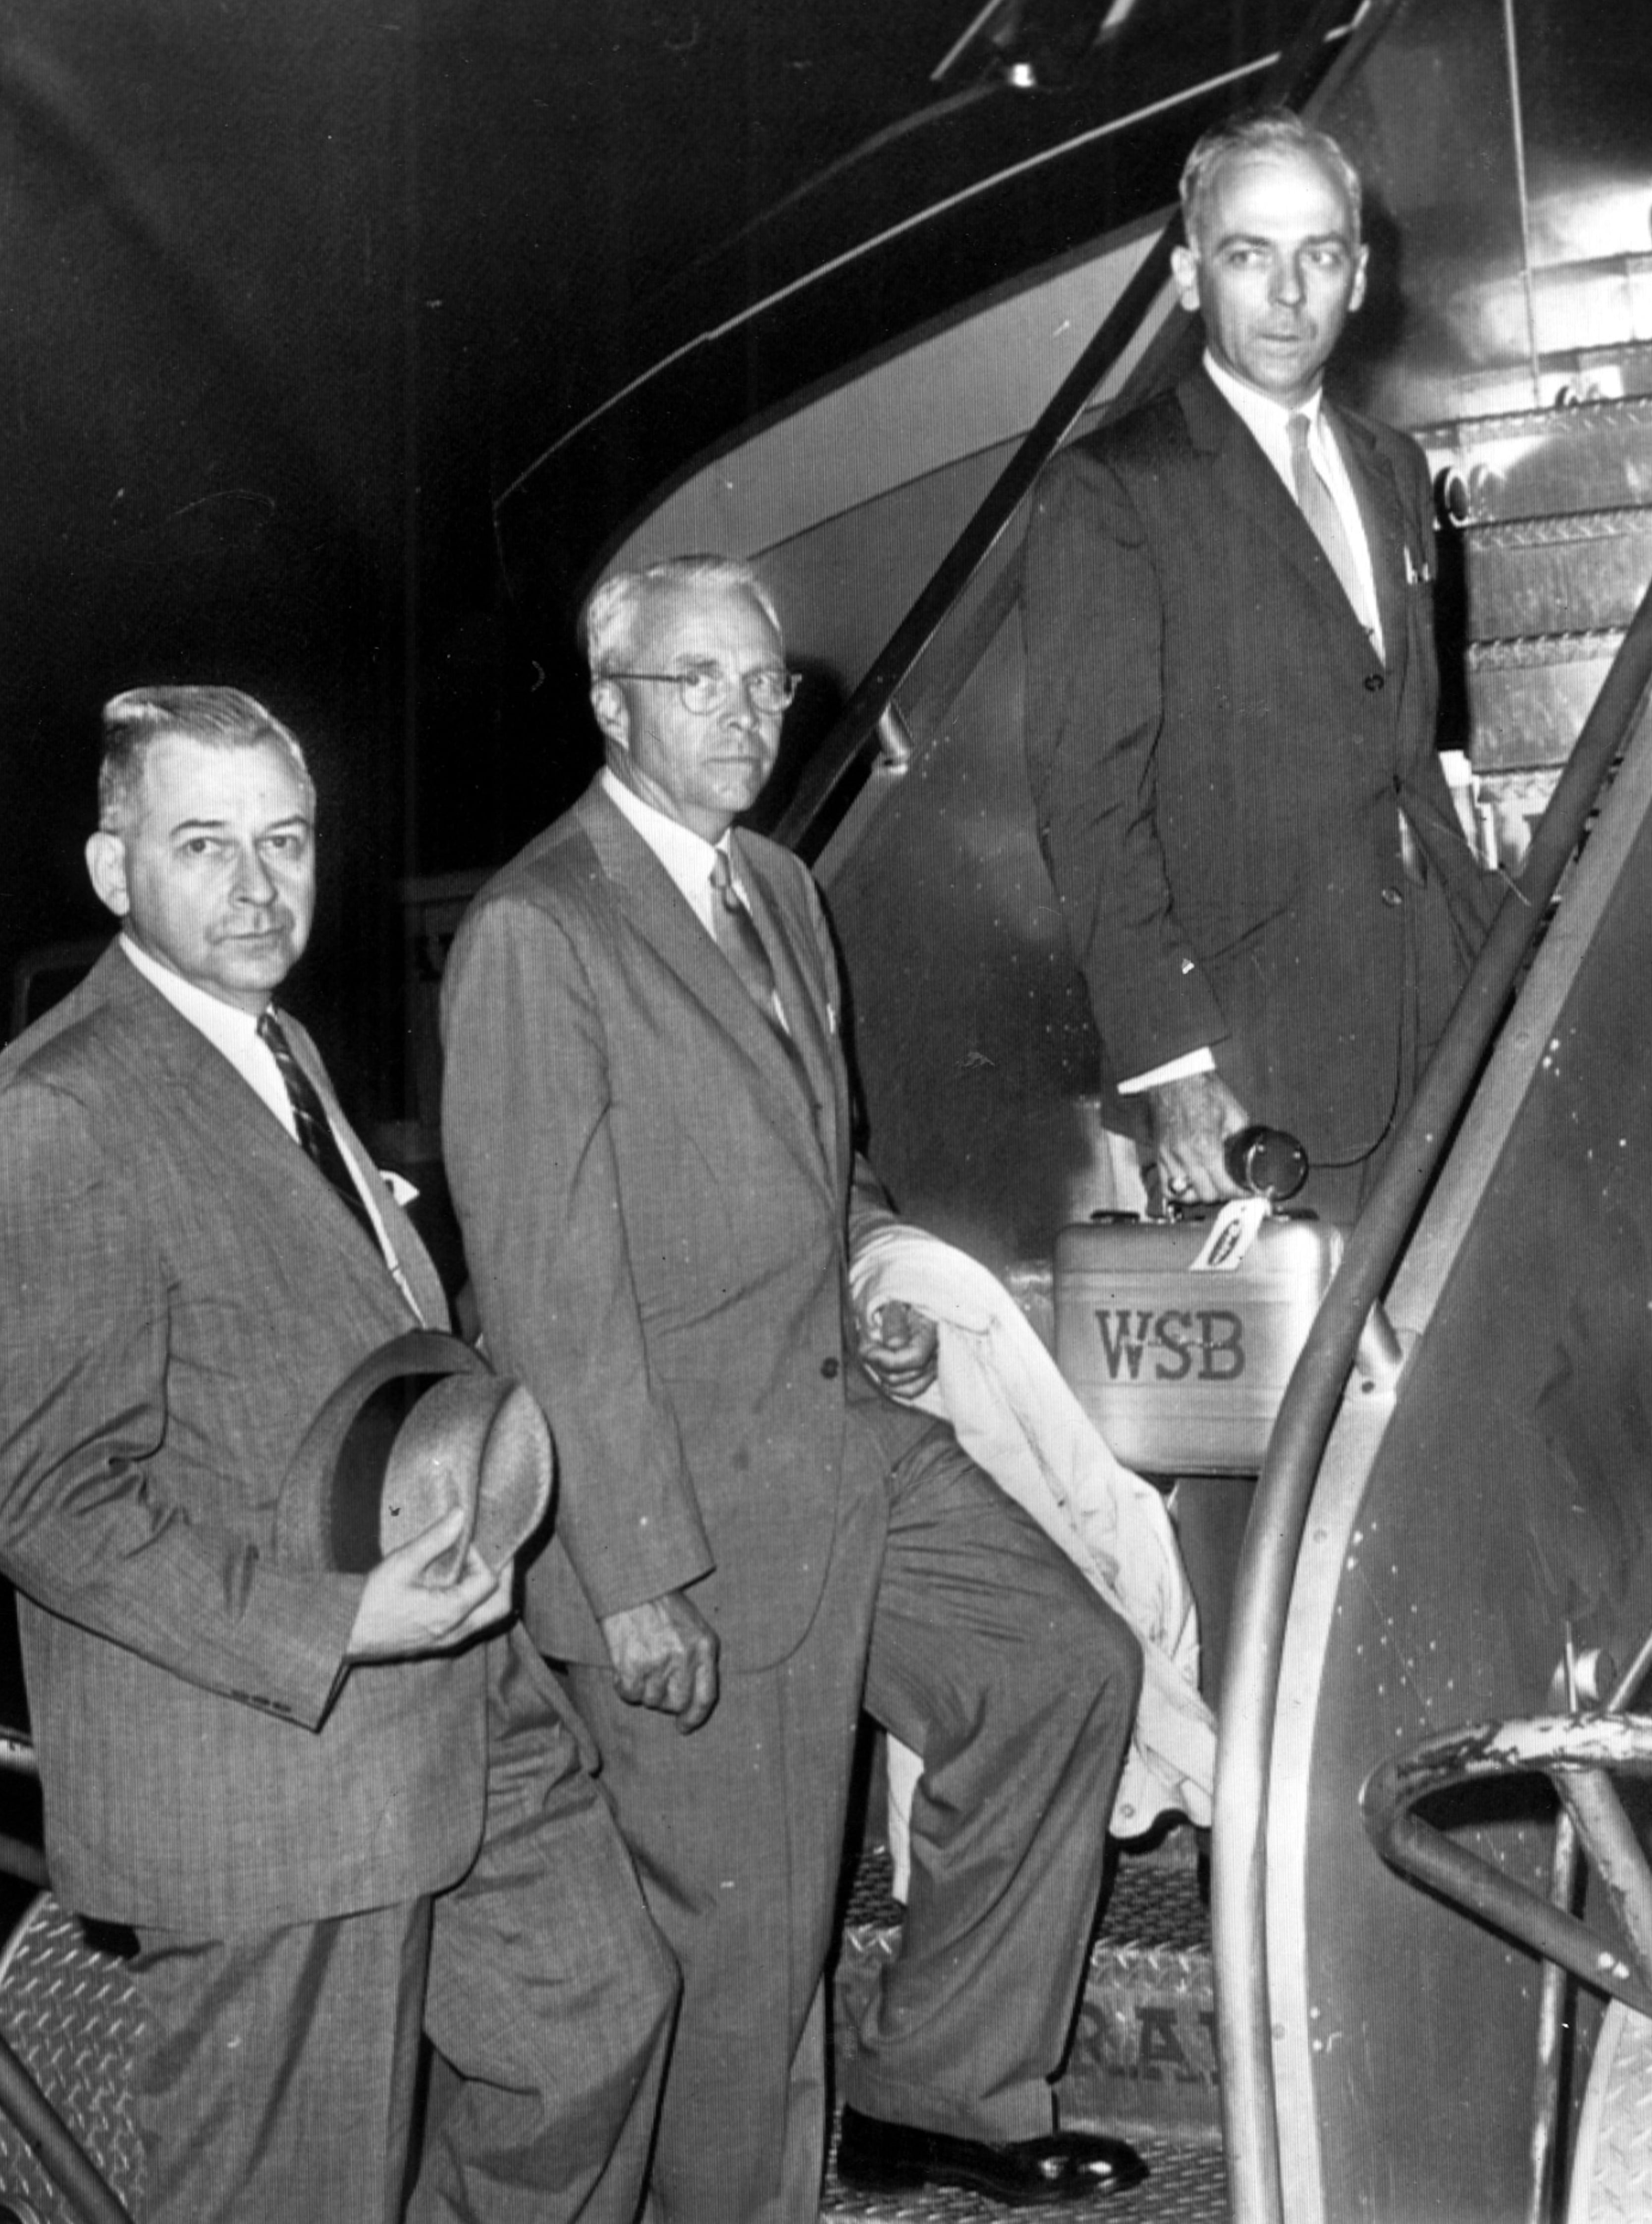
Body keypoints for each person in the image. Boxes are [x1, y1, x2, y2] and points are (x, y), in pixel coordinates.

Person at [440, 557, 1147, 2221]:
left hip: (840, 1435)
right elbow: (546, 1291)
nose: (746, 715)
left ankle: (939, 2089)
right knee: (745, 1960)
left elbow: (825, 1165)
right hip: (679, 1509)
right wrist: (635, 1577)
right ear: (612, 704)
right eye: (698, 682)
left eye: (767, 683)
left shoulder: (776, 887)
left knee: (1060, 1669)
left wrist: (874, 1276)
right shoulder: (542, 929)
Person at [0, 686, 676, 2224]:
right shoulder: (63, 1106)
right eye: (203, 844)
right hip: (269, 1764)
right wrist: (340, 1620)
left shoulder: (274, 1045)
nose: (258, 885)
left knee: (594, 2017)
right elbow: (39, 1492)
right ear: (112, 867)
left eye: (284, 841)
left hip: (454, 1711)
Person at [1022, 110, 1500, 1223]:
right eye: (1249, 255)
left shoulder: (1393, 468)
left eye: (1319, 255)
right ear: (1191, 277)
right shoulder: (1113, 489)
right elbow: (1090, 808)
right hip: (1259, 1067)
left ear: (1360, 275)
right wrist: (1171, 1068)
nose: (1288, 294)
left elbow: (1401, 750)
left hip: (1444, 1010)